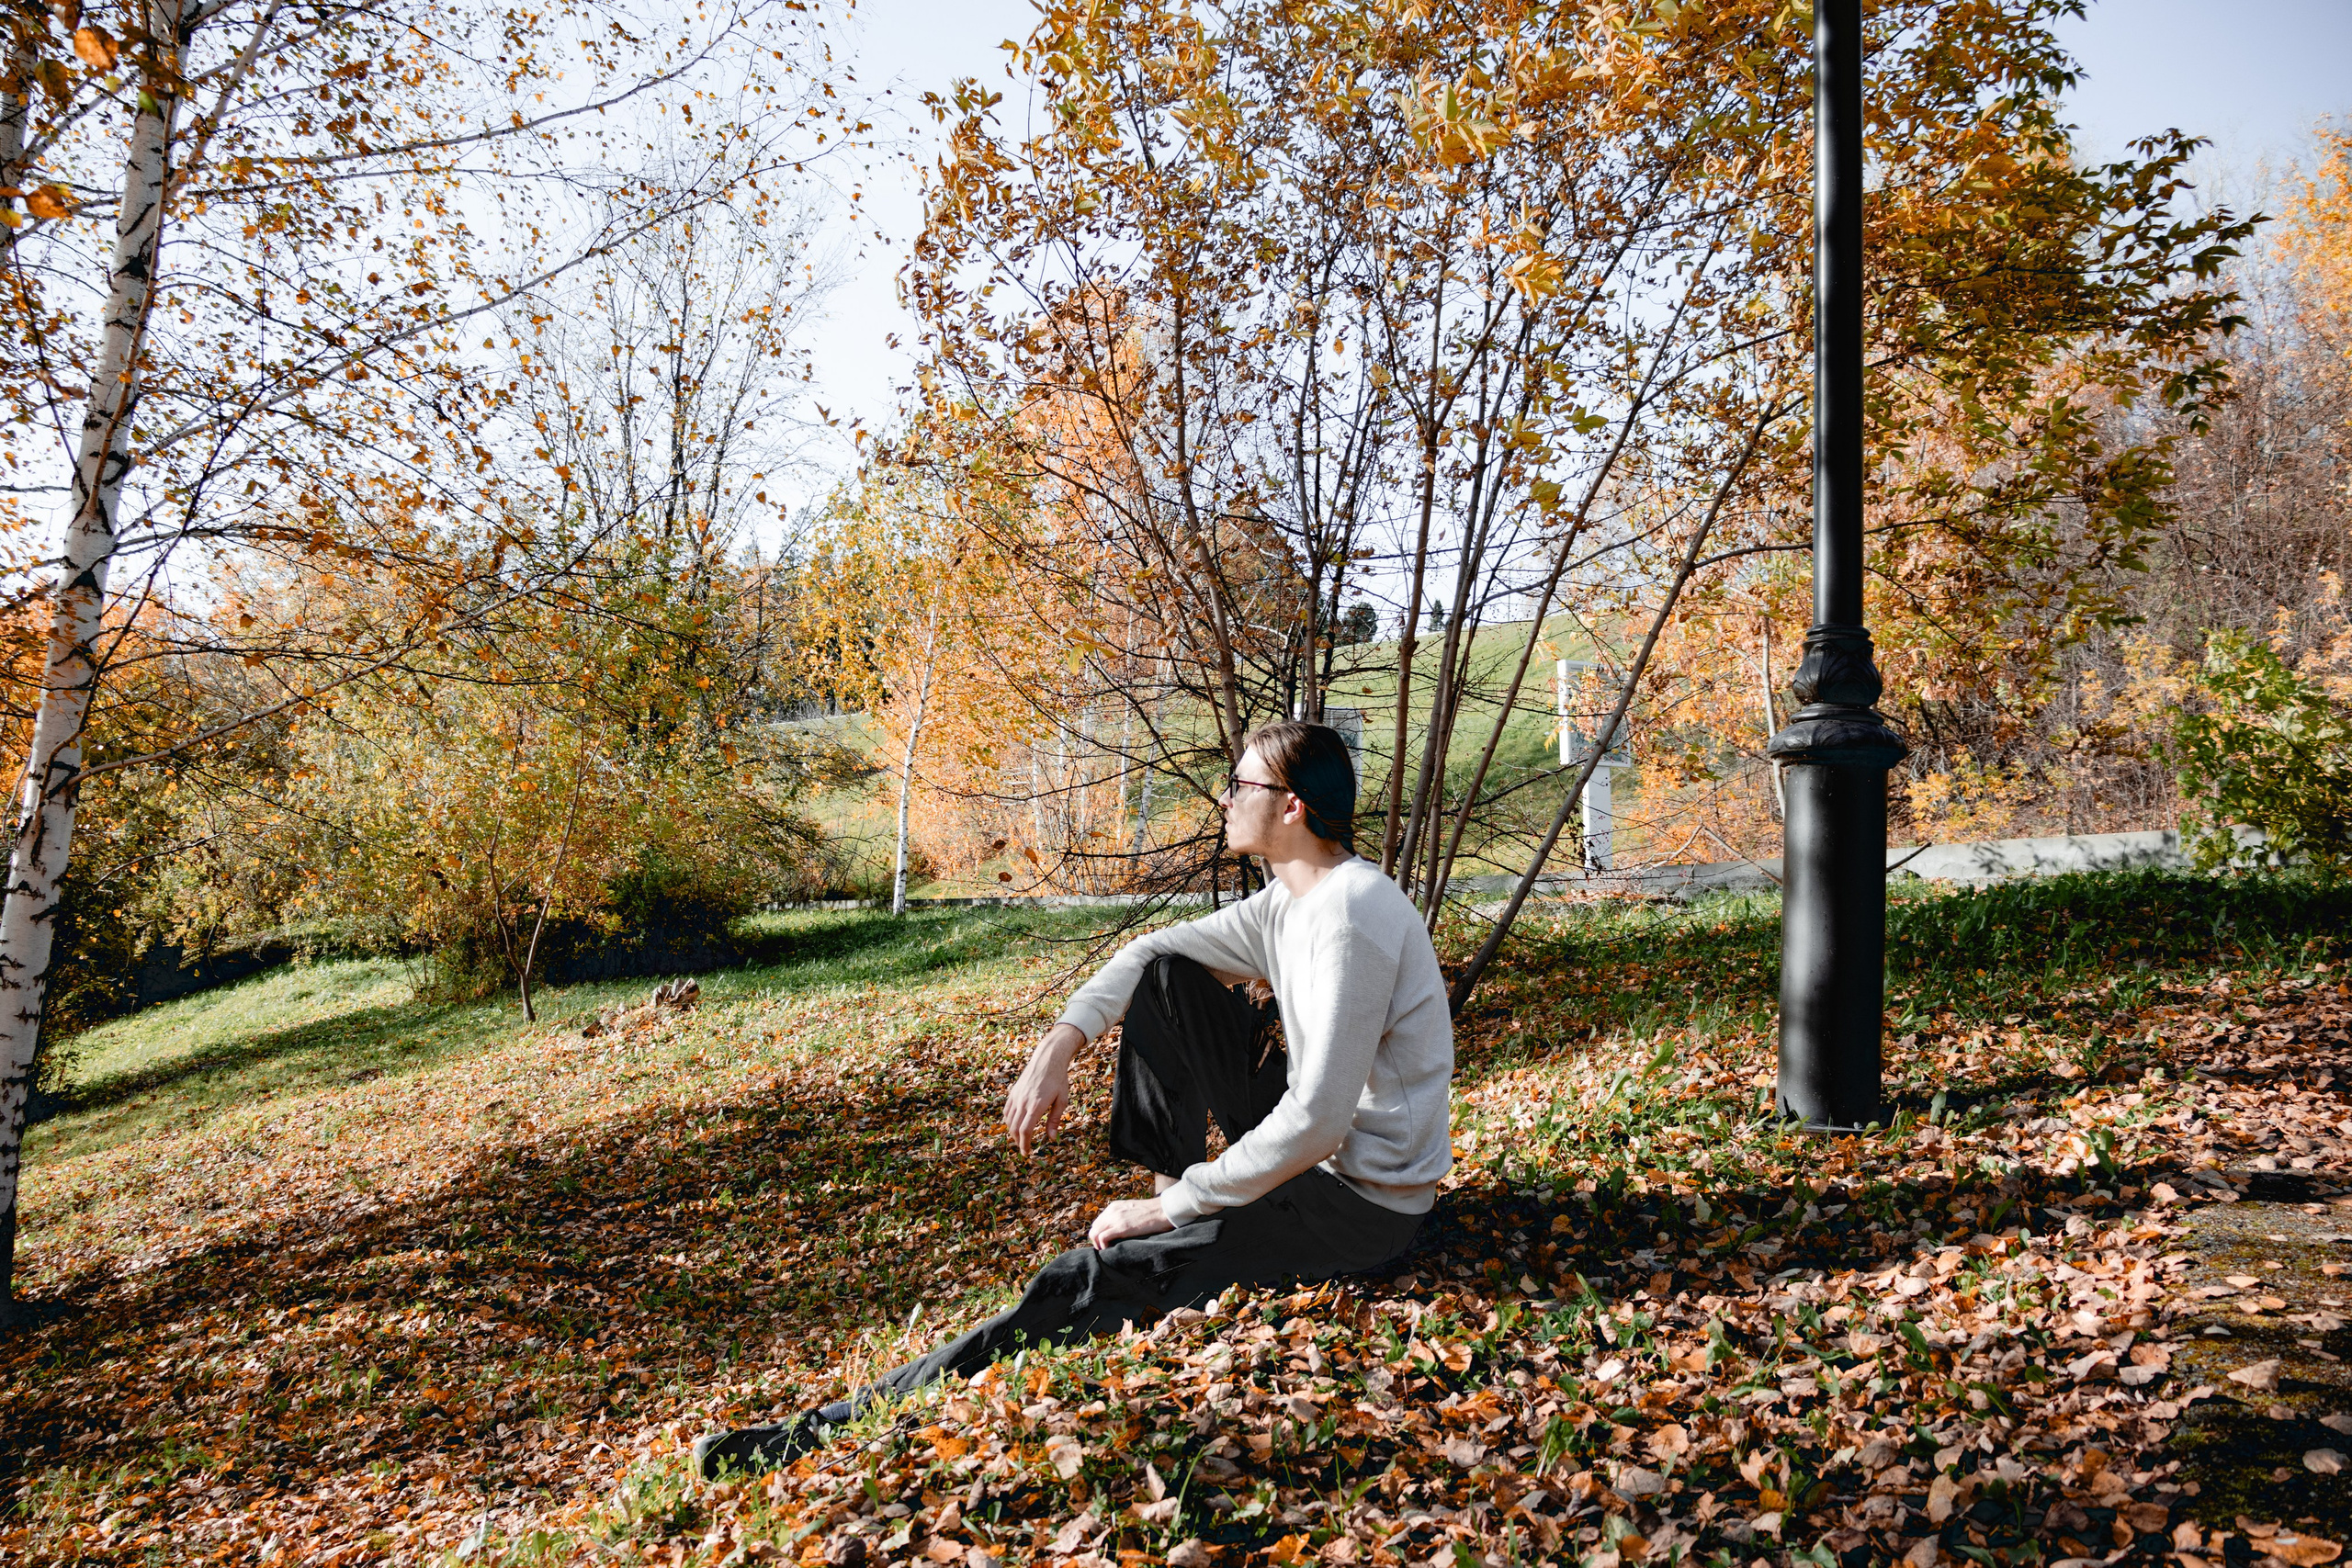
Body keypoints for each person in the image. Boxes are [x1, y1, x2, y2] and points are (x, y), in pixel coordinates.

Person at [693, 719, 1453, 1479]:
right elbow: (1149, 952)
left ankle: (821, 1429)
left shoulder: (1351, 914)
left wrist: (1171, 1210)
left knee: (1085, 1277)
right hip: (1315, 1171)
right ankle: (1175, 1215)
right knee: (1168, 976)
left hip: (1360, 1209)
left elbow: (1318, 1121)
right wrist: (1058, 1045)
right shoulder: (1290, 902)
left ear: (1290, 806)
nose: (1224, 798)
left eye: (1241, 784)